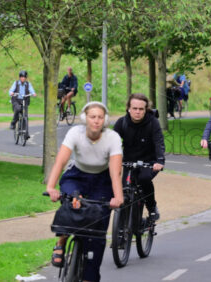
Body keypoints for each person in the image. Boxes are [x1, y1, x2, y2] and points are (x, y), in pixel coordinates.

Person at [46, 101, 124, 282]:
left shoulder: (112, 137)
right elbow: (60, 162)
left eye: (100, 117)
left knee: (97, 233)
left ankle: (90, 277)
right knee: (71, 202)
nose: (96, 121)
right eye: (92, 117)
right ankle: (61, 241)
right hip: (77, 176)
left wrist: (118, 197)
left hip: (102, 180)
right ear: (85, 118)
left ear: (104, 120)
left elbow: (115, 172)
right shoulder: (75, 133)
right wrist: (51, 187)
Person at [113, 93, 165, 220]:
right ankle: (124, 224)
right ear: (128, 108)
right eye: (134, 108)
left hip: (149, 162)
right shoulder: (121, 123)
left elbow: (159, 142)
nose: (137, 112)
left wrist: (159, 161)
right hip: (129, 162)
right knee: (124, 189)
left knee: (143, 179)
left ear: (146, 110)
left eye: (141, 109)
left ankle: (152, 207)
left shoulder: (153, 123)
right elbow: (111, 142)